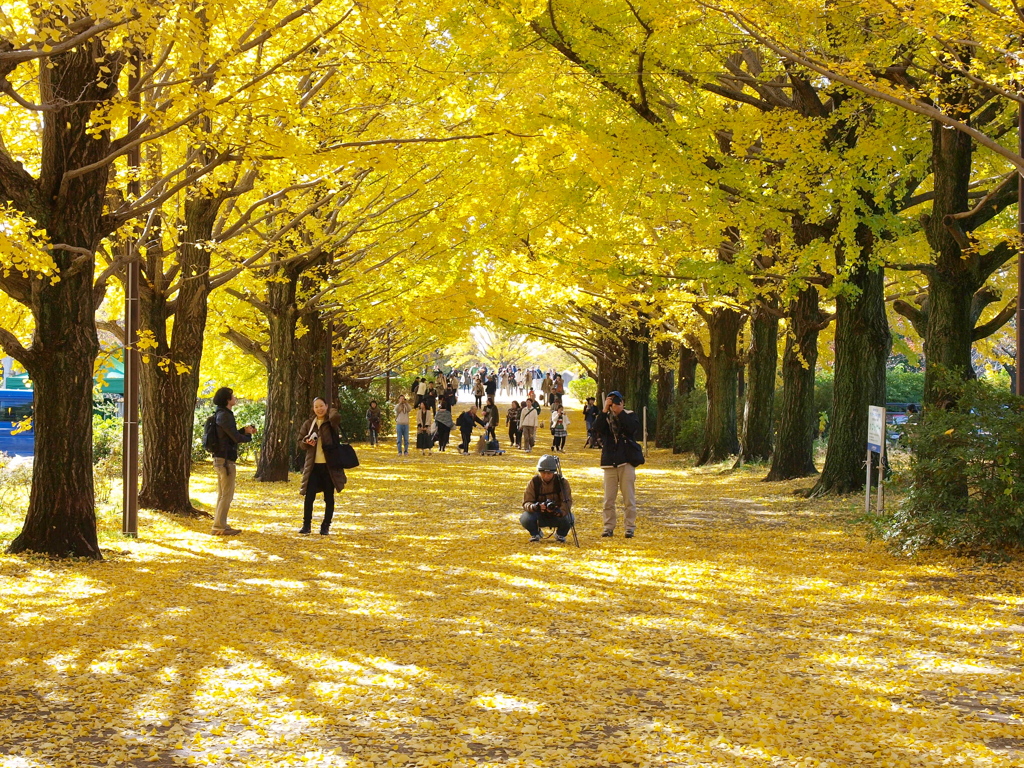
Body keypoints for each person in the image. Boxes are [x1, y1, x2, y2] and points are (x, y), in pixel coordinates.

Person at [594, 391, 642, 538]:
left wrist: (620, 412)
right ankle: (608, 527)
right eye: (611, 400)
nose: (614, 403)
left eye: (616, 400)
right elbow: (596, 429)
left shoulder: (629, 414)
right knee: (609, 499)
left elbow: (632, 429)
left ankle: (630, 527)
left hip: (626, 460)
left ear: (622, 402)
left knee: (629, 498)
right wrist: (604, 410)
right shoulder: (605, 417)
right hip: (609, 461)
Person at [209, 387, 257, 535]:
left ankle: (220, 524)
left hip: (221, 458)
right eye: (232, 396)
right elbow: (234, 438)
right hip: (225, 460)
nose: (235, 398)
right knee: (226, 494)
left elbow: (230, 434)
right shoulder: (225, 415)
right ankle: (219, 527)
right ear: (227, 399)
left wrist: (244, 431)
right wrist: (247, 436)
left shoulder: (221, 414)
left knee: (222, 493)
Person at [297, 397, 347, 535]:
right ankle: (306, 525)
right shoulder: (309, 424)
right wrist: (307, 442)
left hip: (329, 466)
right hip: (313, 466)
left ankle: (325, 526)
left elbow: (336, 417)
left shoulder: (331, 422)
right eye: (316, 407)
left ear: (326, 406)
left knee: (329, 497)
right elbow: (300, 442)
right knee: (309, 497)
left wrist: (330, 411)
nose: (319, 409)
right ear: (313, 409)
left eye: (322, 406)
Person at [521, 454, 574, 543]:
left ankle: (560, 534)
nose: (546, 475)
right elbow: (526, 502)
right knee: (525, 518)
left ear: (554, 472)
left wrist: (560, 512)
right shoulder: (534, 482)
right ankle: (536, 533)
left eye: (549, 473)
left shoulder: (562, 482)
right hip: (538, 514)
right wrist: (535, 507)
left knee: (570, 518)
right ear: (539, 472)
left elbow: (567, 501)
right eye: (543, 473)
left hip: (556, 514)